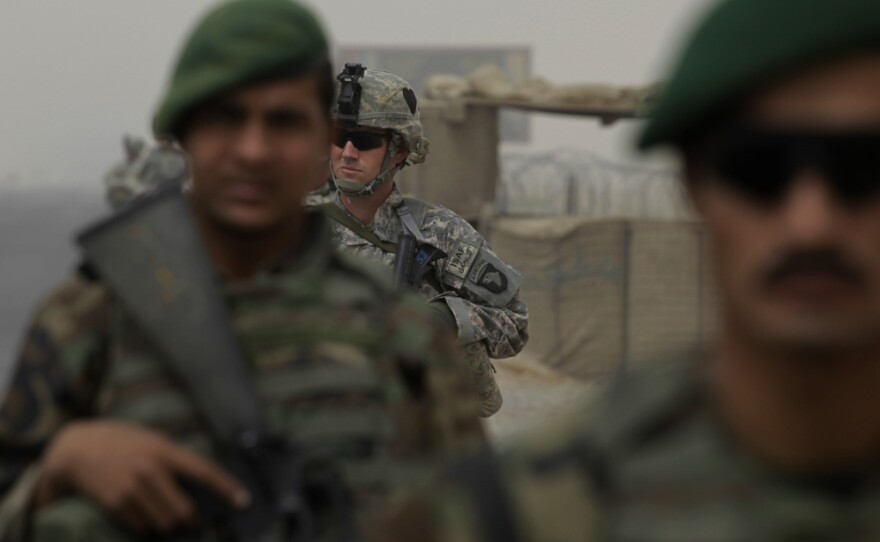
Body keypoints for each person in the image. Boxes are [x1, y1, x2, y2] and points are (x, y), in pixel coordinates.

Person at [373, 0, 880, 540]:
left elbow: (510, 318)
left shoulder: (436, 231)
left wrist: (445, 319)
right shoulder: (526, 509)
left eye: (864, 168)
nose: (811, 225)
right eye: (758, 168)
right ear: (692, 184)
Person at [0, 1, 484, 541]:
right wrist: (60, 468)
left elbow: (476, 518)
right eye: (225, 118)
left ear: (311, 140)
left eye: (283, 121)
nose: (253, 150)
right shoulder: (89, 320)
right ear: (183, 134)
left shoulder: (406, 338)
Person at [316, 65, 528, 417]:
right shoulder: (297, 230)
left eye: (366, 140)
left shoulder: (437, 231)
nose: (348, 152)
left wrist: (445, 319)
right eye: (339, 137)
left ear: (398, 150)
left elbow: (515, 323)